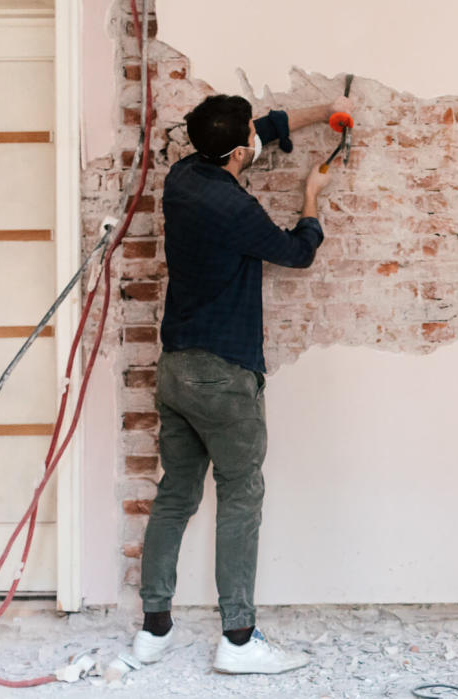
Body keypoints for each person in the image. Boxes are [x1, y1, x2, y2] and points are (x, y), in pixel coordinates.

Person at [131, 93, 353, 675]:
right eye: (249, 136)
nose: (257, 138)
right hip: (223, 374)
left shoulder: (182, 177)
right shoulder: (235, 211)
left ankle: (152, 632)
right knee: (240, 499)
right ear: (235, 151)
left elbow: (260, 127)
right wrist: (311, 195)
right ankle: (237, 640)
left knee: (175, 495)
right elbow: (297, 252)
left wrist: (323, 111)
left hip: (175, 368)